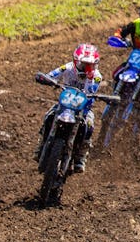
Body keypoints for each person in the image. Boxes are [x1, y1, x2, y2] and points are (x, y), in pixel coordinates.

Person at [33, 43, 104, 174]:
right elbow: (51, 75)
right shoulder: (68, 68)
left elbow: (91, 91)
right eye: (83, 64)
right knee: (49, 116)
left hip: (83, 109)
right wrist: (46, 79)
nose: (86, 68)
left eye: (90, 65)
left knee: (89, 126)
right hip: (65, 104)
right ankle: (41, 144)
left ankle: (81, 156)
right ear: (76, 61)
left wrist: (89, 78)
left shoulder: (97, 76)